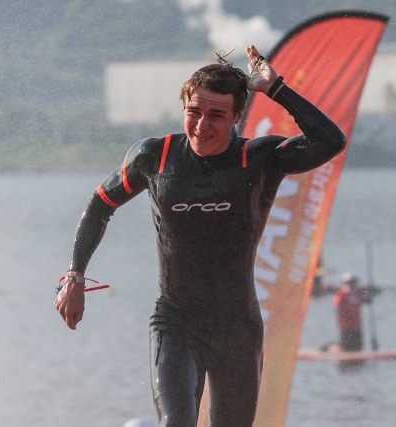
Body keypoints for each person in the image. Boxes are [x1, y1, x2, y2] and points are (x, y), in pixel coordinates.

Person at [54, 44, 347, 427]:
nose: (201, 125)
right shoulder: (155, 157)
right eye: (194, 112)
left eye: (216, 115)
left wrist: (276, 90)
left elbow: (330, 141)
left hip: (237, 327)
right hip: (176, 320)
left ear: (237, 116)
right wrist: (74, 276)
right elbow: (100, 204)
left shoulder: (259, 159)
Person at [333, 272, 370, 352]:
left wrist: (369, 290)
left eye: (353, 283)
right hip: (346, 328)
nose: (352, 285)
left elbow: (367, 300)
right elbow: (337, 310)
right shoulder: (341, 295)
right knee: (347, 349)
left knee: (358, 348)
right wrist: (339, 328)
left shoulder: (357, 294)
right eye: (350, 283)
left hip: (357, 327)